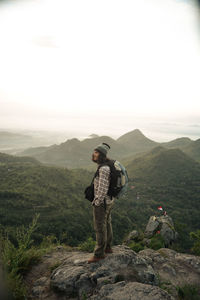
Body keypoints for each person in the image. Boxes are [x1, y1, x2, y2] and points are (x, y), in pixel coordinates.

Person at [88, 143, 114, 264]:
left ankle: (99, 254)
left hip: (102, 202)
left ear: (102, 155)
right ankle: (108, 247)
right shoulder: (106, 166)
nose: (94, 154)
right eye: (94, 151)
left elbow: (103, 188)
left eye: (97, 152)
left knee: (100, 227)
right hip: (109, 200)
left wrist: (97, 201)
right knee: (107, 223)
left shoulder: (103, 169)